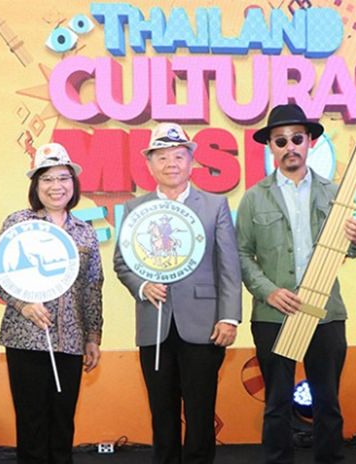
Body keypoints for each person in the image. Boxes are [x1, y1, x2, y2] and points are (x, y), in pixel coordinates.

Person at [235, 104, 356, 464]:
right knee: (277, 404)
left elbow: (352, 250)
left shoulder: (335, 193)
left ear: (309, 142)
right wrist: (268, 291)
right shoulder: (253, 198)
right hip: (272, 317)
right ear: (271, 147)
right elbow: (242, 256)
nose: (289, 146)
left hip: (326, 314)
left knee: (328, 402)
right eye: (281, 141)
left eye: (297, 138)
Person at [113, 123, 242, 464]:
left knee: (200, 413)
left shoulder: (215, 206)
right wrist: (142, 286)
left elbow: (229, 265)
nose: (171, 163)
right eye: (162, 157)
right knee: (162, 413)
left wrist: (229, 317)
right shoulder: (134, 209)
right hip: (153, 324)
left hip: (204, 325)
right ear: (150, 164)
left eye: (178, 156)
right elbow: (122, 264)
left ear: (191, 162)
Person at [0, 142, 103, 464]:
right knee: (32, 424)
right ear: (36, 186)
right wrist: (23, 304)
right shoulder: (18, 223)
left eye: (63, 178)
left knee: (63, 423)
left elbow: (93, 287)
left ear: (73, 184)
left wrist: (93, 337)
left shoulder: (85, 232)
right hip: (25, 339)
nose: (56, 186)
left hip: (71, 342)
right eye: (47, 179)